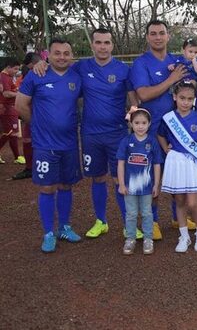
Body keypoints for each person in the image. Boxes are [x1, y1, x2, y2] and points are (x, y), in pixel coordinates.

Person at [32, 28, 139, 240]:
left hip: (116, 134)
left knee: (121, 180)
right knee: (97, 178)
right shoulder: (80, 68)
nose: (102, 46)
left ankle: (129, 224)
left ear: (112, 45)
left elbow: (134, 100)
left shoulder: (122, 69)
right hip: (90, 134)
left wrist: (133, 114)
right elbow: (58, 66)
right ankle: (101, 221)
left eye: (106, 42)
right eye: (98, 42)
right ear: (92, 45)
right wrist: (40, 63)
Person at [16, 38, 82, 253]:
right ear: (48, 56)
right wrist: (36, 125)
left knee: (66, 185)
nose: (62, 57)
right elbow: (20, 104)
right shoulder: (37, 74)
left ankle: (64, 226)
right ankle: (48, 232)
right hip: (45, 144)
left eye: (66, 53)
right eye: (57, 53)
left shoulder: (76, 75)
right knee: (47, 187)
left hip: (70, 143)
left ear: (71, 56)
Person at [130, 20, 190, 240]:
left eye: (161, 33)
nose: (157, 37)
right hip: (151, 130)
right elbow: (143, 94)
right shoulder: (141, 63)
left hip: (176, 130)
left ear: (168, 36)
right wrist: (171, 79)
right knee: (151, 179)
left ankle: (177, 217)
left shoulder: (177, 61)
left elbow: (190, 88)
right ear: (147, 37)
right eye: (153, 33)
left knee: (177, 175)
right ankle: (152, 221)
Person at [158, 81, 197, 252]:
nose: (185, 102)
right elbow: (160, 135)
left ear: (194, 100)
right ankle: (184, 236)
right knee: (179, 200)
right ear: (175, 97)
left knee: (192, 202)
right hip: (175, 162)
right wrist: (166, 148)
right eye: (182, 98)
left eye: (189, 99)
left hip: (193, 162)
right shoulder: (169, 119)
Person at [117, 107, 163, 255]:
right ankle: (130, 238)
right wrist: (122, 184)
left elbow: (157, 164)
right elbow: (121, 163)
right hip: (130, 187)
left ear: (149, 124)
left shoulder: (152, 142)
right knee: (130, 213)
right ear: (131, 124)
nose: (140, 126)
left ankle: (147, 238)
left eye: (144, 122)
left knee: (147, 213)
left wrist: (156, 184)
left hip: (146, 187)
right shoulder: (126, 141)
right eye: (137, 122)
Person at [11, 53, 41, 180]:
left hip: (38, 113)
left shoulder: (40, 73)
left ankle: (33, 168)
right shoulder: (31, 75)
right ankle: (31, 167)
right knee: (28, 139)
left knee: (33, 140)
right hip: (31, 112)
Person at [0, 58, 25, 165]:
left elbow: (13, 89)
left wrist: (18, 91)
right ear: (8, 67)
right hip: (7, 108)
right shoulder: (4, 77)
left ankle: (17, 157)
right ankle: (17, 157)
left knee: (12, 133)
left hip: (8, 108)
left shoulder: (8, 77)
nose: (16, 72)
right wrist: (20, 95)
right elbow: (6, 93)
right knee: (10, 132)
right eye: (15, 69)